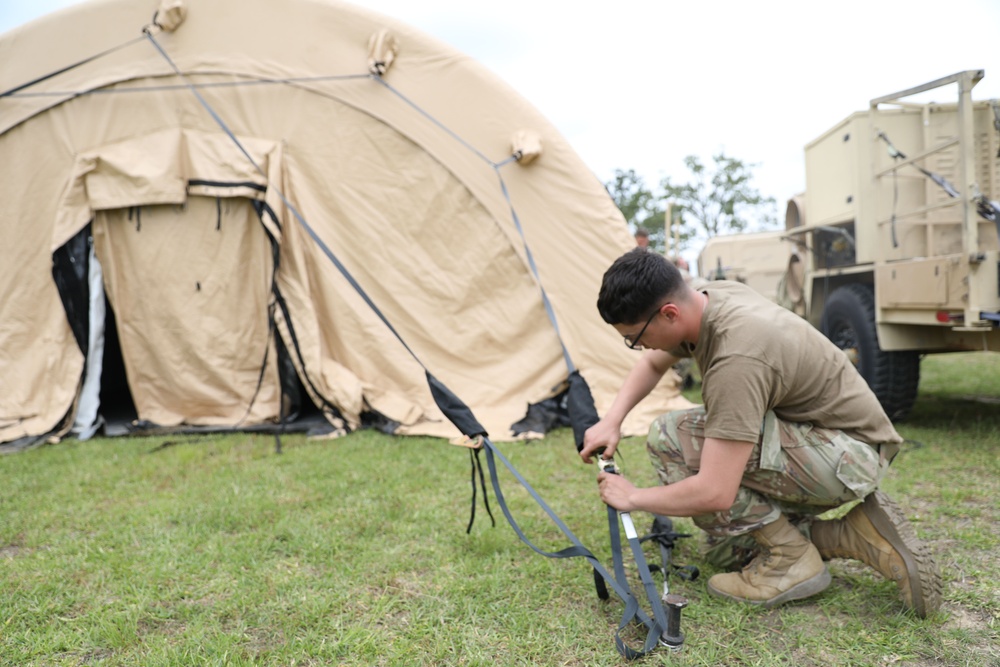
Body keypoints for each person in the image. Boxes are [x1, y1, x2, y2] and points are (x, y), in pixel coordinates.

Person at [580, 249, 941, 617]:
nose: (637, 345)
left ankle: (791, 558)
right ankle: (851, 534)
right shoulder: (708, 297)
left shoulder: (737, 359)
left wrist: (634, 497)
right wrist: (613, 420)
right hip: (831, 443)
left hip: (848, 457)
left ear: (669, 313)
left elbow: (715, 492)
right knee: (725, 549)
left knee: (671, 437)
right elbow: (655, 360)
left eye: (633, 336)